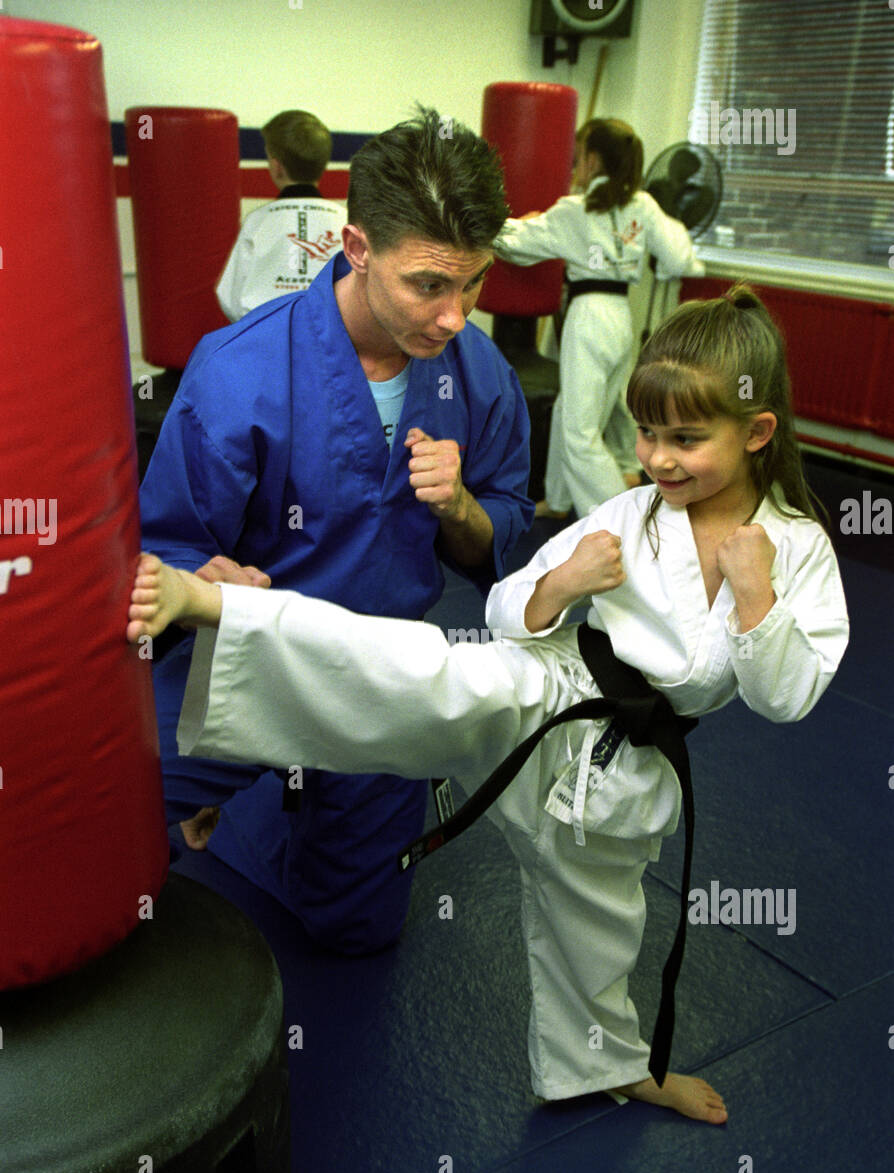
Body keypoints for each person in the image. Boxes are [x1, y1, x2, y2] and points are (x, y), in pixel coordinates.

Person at [129, 288, 849, 1122]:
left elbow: (788, 698)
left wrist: (757, 600)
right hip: (550, 686)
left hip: (624, 765)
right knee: (414, 667)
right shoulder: (633, 511)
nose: (656, 459)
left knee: (599, 924)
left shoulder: (794, 548)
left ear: (757, 433)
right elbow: (504, 605)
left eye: (686, 439)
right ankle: (217, 607)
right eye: (647, 434)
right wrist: (561, 581)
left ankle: (611, 1066)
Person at [139, 107, 534, 956]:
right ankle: (243, 793)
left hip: (380, 674)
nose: (454, 315)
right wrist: (206, 577)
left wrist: (461, 507)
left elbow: (506, 529)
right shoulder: (241, 369)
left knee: (353, 930)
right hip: (246, 658)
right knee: (108, 812)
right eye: (428, 284)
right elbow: (164, 547)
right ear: (355, 249)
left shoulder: (481, 373)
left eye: (473, 283)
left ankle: (275, 811)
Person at [493, 117, 702, 520]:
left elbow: (516, 244)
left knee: (580, 433)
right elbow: (679, 258)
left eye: (580, 154)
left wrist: (487, 223)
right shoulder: (642, 205)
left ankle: (624, 522)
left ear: (592, 158)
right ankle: (558, 499)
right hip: (621, 317)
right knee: (575, 414)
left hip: (588, 317)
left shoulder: (576, 210)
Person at [216, 110, 347, 321]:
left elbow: (230, 297)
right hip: (334, 343)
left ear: (276, 167)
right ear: (323, 166)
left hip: (267, 343)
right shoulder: (347, 221)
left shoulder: (258, 221)